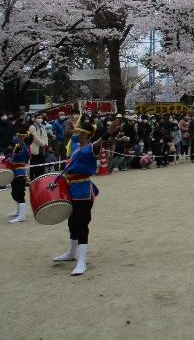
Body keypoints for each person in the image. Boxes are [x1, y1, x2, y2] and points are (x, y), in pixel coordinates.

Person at [50, 116, 121, 275]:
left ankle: (81, 261)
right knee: (72, 223)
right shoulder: (75, 147)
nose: (77, 132)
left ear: (85, 134)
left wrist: (108, 132)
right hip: (71, 189)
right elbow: (68, 169)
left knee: (82, 224)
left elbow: (98, 143)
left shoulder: (90, 149)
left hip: (83, 191)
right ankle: (71, 252)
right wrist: (56, 181)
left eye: (79, 131)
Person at [7, 128, 31, 223]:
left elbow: (16, 160)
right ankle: (18, 212)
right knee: (15, 193)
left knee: (19, 194)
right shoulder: (21, 146)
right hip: (16, 173)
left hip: (20, 173)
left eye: (19, 136)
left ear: (22, 137)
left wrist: (10, 160)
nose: (17, 137)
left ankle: (21, 216)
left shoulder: (22, 147)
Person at [28, 115, 48, 180]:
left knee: (40, 163)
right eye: (38, 118)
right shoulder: (32, 127)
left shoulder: (42, 126)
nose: (40, 119)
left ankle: (39, 177)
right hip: (35, 147)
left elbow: (45, 136)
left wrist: (46, 144)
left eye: (41, 118)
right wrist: (43, 144)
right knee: (34, 164)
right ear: (35, 119)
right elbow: (35, 138)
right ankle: (32, 178)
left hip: (42, 148)